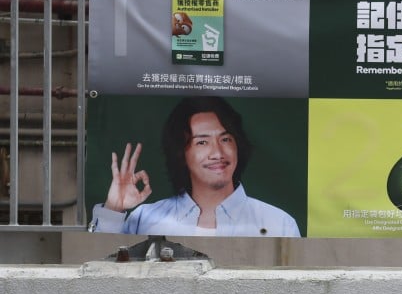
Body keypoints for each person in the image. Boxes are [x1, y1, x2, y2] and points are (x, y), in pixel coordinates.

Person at [90, 96, 300, 237]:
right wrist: (114, 209)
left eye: (226, 139)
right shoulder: (146, 219)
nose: (217, 153)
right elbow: (101, 275)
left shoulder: (279, 223)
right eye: (202, 142)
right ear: (181, 153)